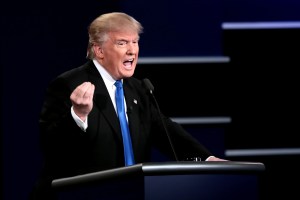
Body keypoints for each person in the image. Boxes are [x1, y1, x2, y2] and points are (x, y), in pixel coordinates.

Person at [30, 12, 226, 200]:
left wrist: (208, 159)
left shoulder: (138, 89)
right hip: (83, 195)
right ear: (99, 50)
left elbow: (166, 132)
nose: (132, 50)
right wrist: (78, 115)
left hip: (132, 194)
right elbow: (51, 146)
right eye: (122, 43)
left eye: (135, 42)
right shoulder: (69, 84)